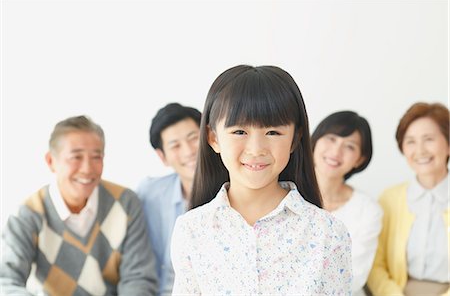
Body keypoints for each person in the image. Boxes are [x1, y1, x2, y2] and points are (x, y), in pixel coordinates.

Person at [170, 65, 352, 295]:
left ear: (295, 139)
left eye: (273, 132)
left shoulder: (328, 233)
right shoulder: (191, 230)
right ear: (213, 138)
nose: (256, 149)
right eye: (239, 132)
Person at [0, 115, 158, 295]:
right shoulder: (28, 213)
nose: (87, 169)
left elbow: (138, 278)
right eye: (76, 157)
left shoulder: (126, 203)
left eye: (96, 157)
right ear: (51, 161)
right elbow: (6, 281)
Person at [367, 102, 449, 296]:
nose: (419, 150)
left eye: (428, 139)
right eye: (410, 141)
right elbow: (375, 265)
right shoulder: (389, 199)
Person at [311, 111, 383, 296]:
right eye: (331, 139)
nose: (336, 152)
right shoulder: (284, 193)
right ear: (315, 141)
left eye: (349, 146)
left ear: (360, 159)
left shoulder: (368, 210)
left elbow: (355, 275)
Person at [136, 103, 201, 295]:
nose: (188, 151)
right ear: (162, 156)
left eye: (194, 138)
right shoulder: (149, 193)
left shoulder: (237, 191)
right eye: (175, 145)